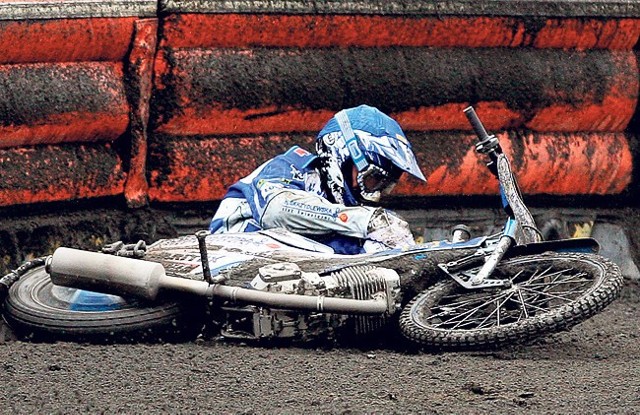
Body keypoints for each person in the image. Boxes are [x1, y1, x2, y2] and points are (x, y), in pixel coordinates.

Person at [209, 105, 426, 254]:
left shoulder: (340, 205)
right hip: (226, 260)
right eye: (373, 180)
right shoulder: (291, 166)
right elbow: (276, 211)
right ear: (343, 154)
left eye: (384, 187)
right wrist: (367, 220)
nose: (376, 194)